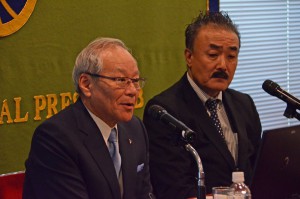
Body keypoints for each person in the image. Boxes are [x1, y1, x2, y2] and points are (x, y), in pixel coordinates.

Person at [143, 11, 262, 198]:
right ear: (189, 57)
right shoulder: (164, 112)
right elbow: (173, 189)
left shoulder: (244, 104)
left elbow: (257, 171)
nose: (223, 65)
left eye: (231, 56)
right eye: (213, 55)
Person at [23, 37, 155, 199]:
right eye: (121, 80)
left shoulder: (135, 129)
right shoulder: (55, 138)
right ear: (86, 84)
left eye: (135, 81)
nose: (133, 91)